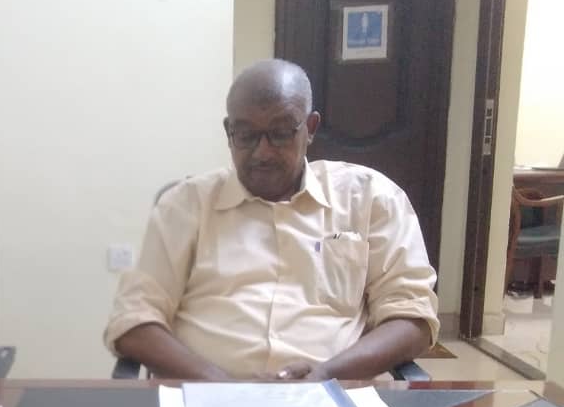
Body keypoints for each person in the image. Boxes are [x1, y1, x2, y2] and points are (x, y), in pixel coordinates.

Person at [104, 59, 439, 381]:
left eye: (280, 133)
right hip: (205, 399)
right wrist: (220, 384)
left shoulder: (369, 198)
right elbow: (134, 319)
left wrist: (327, 374)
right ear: (228, 132)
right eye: (245, 135)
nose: (262, 152)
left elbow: (413, 317)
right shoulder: (186, 205)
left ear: (310, 128)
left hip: (333, 396)